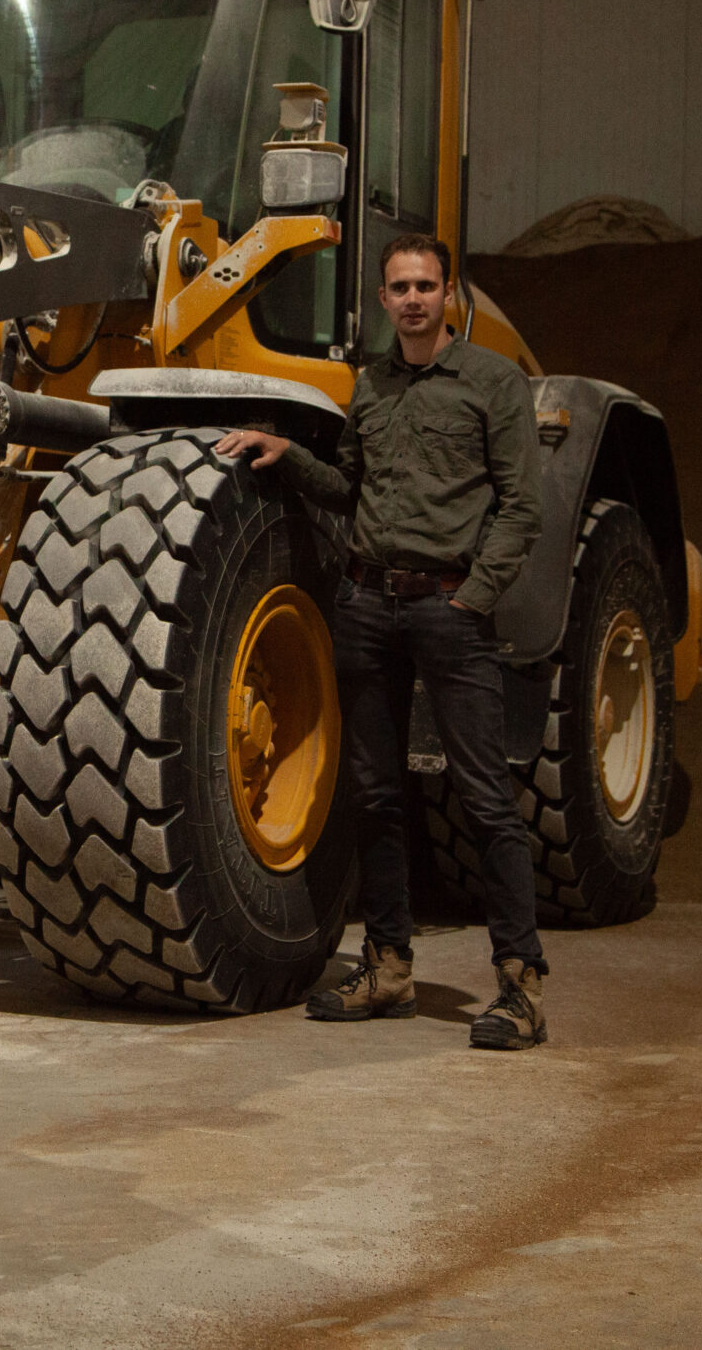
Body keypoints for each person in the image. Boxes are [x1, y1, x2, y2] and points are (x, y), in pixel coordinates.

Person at [214, 233, 548, 1051]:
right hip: (368, 604)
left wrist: (472, 597)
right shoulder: (372, 386)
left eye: (425, 285)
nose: (412, 299)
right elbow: (350, 489)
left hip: (447, 608)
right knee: (372, 792)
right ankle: (390, 966)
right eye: (398, 287)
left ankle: (521, 985)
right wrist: (290, 456)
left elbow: (521, 507)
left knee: (484, 799)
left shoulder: (492, 384)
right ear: (383, 298)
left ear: (448, 294)